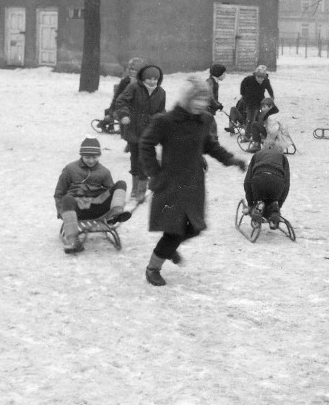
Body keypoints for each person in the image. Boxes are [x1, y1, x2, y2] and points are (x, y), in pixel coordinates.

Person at [139, 78, 246, 287]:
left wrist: (231, 159)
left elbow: (209, 145)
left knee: (195, 227)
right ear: (187, 98)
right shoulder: (166, 121)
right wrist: (154, 172)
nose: (201, 104)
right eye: (197, 99)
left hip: (194, 182)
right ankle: (153, 268)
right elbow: (146, 143)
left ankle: (168, 249)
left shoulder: (204, 120)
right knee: (174, 230)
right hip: (170, 182)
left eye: (204, 99)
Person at [53, 137, 131, 254]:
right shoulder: (70, 169)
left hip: (97, 208)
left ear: (98, 156)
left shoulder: (104, 172)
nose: (91, 160)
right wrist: (61, 211)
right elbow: (59, 193)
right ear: (81, 155)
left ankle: (115, 214)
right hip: (77, 209)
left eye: (94, 157)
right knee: (67, 198)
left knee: (121, 184)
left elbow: (111, 192)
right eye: (87, 157)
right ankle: (73, 240)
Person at [114, 64, 166, 203]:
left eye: (155, 79)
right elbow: (121, 101)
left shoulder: (161, 92)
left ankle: (141, 190)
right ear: (143, 78)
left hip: (149, 130)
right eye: (149, 78)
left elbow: (161, 111)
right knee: (134, 157)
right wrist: (124, 115)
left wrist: (163, 124)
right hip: (133, 127)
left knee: (143, 159)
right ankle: (135, 187)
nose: (152, 81)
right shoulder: (134, 88)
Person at [243, 141, 290, 230]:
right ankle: (274, 208)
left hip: (259, 177)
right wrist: (279, 204)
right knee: (273, 199)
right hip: (277, 180)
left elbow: (247, 181)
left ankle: (259, 203)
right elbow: (286, 183)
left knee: (259, 194)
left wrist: (250, 203)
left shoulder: (257, 154)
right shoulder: (282, 157)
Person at [102, 57, 144, 132]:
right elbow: (117, 97)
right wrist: (112, 109)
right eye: (131, 69)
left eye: (135, 70)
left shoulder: (144, 83)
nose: (133, 71)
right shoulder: (124, 82)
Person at [240, 65, 275, 148]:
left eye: (262, 78)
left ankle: (258, 135)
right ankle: (247, 136)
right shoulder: (248, 79)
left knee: (260, 118)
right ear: (255, 75)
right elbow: (242, 87)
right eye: (258, 77)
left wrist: (272, 97)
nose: (261, 80)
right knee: (250, 119)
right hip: (250, 102)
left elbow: (269, 89)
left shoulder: (266, 81)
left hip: (260, 102)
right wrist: (244, 95)